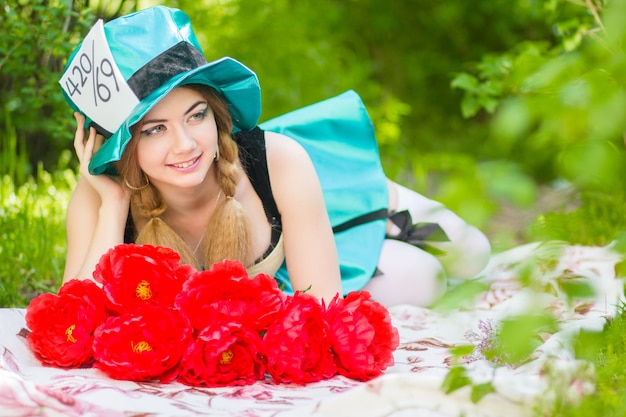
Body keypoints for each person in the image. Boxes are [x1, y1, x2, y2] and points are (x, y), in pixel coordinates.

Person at [61, 6, 491, 307]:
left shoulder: (279, 159)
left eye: (196, 115)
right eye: (155, 129)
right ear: (122, 147)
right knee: (421, 279)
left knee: (474, 253)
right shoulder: (101, 196)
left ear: (218, 112)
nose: (186, 144)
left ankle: (387, 206)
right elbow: (74, 320)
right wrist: (113, 208)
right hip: (290, 276)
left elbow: (320, 306)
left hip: (322, 196)